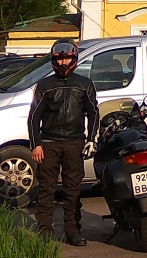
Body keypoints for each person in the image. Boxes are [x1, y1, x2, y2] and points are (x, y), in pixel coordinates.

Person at [28, 39, 99, 246]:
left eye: (67, 58)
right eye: (59, 59)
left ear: (74, 58)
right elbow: (34, 116)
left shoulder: (85, 84)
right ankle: (44, 230)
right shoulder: (44, 85)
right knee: (46, 189)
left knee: (73, 190)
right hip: (48, 144)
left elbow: (94, 113)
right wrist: (36, 144)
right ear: (53, 60)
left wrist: (91, 140)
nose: (63, 63)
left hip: (75, 143)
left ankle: (73, 231)